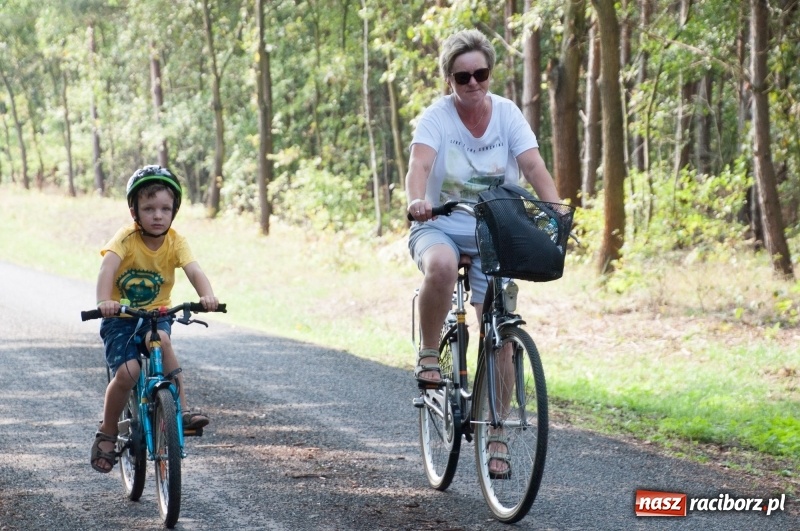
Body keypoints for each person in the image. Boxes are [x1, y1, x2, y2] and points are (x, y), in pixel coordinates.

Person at [406, 29, 561, 478]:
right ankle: (430, 355)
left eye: (481, 74)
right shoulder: (437, 117)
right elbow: (420, 164)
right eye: (462, 77)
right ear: (449, 80)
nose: (473, 84)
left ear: (489, 73)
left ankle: (496, 433)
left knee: (500, 332)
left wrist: (554, 211)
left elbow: (532, 165)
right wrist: (418, 200)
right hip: (438, 222)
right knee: (440, 266)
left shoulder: (508, 115)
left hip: (495, 229)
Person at [90, 165, 219, 474]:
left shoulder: (176, 241)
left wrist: (207, 295)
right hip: (120, 317)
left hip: (157, 314)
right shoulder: (126, 239)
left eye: (165, 208)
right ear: (134, 211)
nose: (157, 215)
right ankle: (107, 432)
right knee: (129, 372)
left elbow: (194, 270)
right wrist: (104, 302)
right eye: (149, 208)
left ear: (174, 211)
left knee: (160, 340)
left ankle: (182, 411)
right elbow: (107, 269)